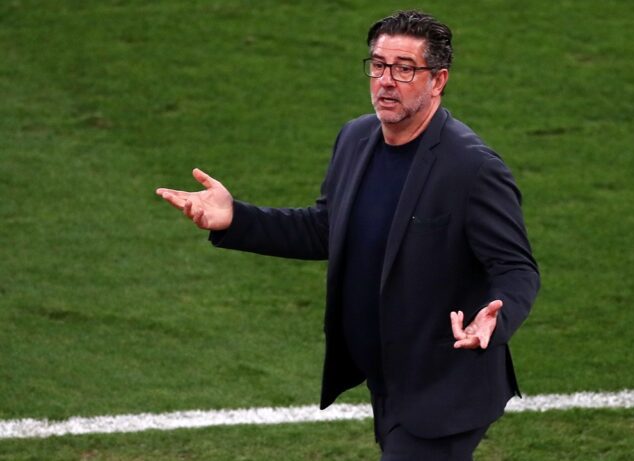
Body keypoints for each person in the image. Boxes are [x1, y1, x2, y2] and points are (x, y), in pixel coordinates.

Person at [157, 10, 539, 461]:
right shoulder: (357, 139)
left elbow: (516, 268)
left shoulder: (472, 168)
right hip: (388, 380)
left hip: (443, 389)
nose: (386, 81)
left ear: (438, 81)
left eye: (404, 69)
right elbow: (325, 228)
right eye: (378, 65)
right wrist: (235, 218)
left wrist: (494, 319)